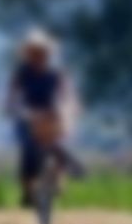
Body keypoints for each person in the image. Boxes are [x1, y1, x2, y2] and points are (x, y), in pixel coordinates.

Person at [5, 29, 84, 207]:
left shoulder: (57, 74)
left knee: (60, 147)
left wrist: (67, 110)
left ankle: (57, 179)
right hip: (28, 118)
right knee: (29, 151)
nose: (38, 56)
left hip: (54, 119)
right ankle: (28, 192)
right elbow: (12, 100)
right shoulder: (21, 74)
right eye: (34, 52)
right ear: (28, 53)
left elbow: (68, 96)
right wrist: (26, 113)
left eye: (41, 52)